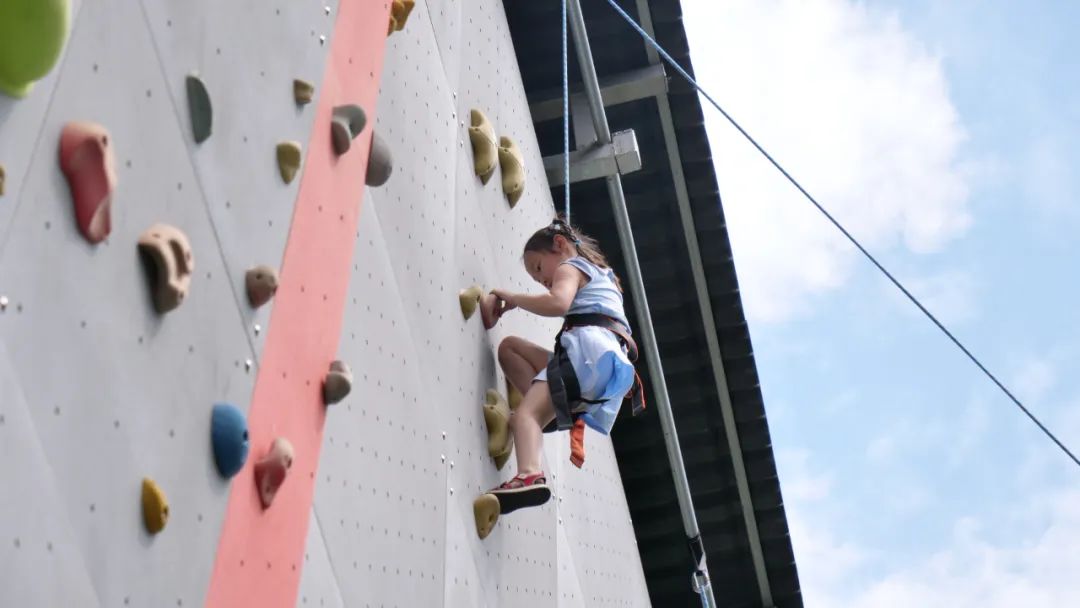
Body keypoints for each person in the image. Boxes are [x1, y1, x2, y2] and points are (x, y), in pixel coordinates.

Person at [484, 217, 644, 513]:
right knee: (510, 349)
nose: (542, 280)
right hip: (599, 367)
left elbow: (558, 303)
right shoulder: (603, 274)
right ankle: (545, 411)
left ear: (559, 245)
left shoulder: (571, 267)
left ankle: (529, 471)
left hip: (586, 356)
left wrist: (514, 298)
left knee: (524, 417)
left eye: (539, 269)